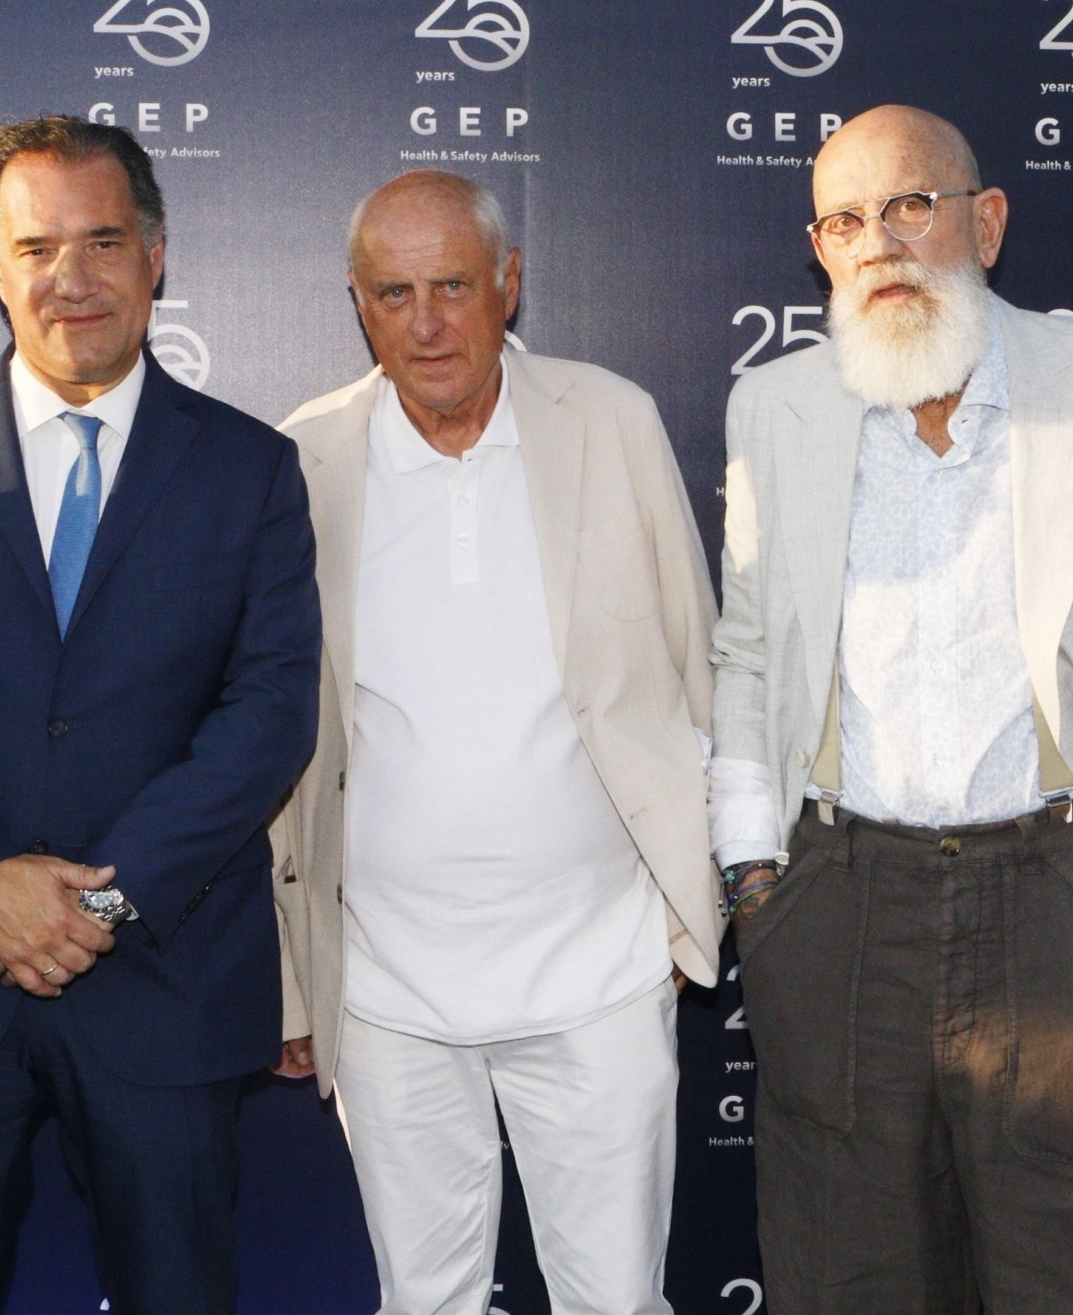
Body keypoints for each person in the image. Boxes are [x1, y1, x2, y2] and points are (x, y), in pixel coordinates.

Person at [708, 106, 1073, 1315]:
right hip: (837, 911)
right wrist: (754, 879)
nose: (879, 244)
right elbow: (746, 656)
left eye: (909, 205)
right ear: (819, 250)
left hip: (1068, 901)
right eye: (844, 221)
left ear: (987, 221)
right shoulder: (774, 408)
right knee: (844, 1283)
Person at [0, 115, 320, 1315]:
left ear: (156, 254)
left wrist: (96, 900)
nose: (72, 277)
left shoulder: (250, 467)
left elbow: (267, 711)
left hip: (163, 983)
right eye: (37, 246)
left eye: (102, 241)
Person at [270, 169, 722, 1315]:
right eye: (394, 292)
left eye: (454, 286)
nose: (425, 322)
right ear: (358, 303)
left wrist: (694, 900)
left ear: (508, 284)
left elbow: (696, 664)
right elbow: (276, 738)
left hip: (601, 970)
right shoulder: (304, 456)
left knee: (617, 1302)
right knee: (425, 1300)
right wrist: (293, 977)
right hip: (385, 985)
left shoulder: (610, 418)